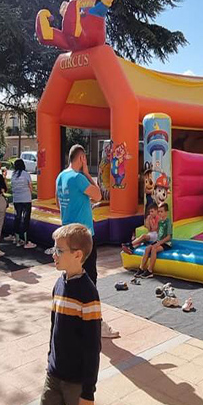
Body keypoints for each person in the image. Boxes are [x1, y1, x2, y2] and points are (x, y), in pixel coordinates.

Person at [36, 223, 101, 405]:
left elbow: (93, 346)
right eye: (54, 249)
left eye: (59, 250)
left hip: (77, 383)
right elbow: (54, 327)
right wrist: (50, 359)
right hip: (53, 376)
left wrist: (88, 393)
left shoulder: (88, 293)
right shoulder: (59, 284)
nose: (54, 255)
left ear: (77, 255)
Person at [56, 144, 119, 339]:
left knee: (72, 277)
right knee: (90, 279)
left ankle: (72, 317)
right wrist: (85, 173)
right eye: (85, 159)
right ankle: (96, 322)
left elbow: (59, 203)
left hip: (68, 235)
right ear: (81, 158)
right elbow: (99, 194)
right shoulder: (77, 177)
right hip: (84, 237)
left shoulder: (61, 176)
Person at [135, 202, 172, 279]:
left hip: (166, 243)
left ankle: (150, 270)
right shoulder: (160, 222)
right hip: (159, 241)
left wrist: (158, 243)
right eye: (159, 212)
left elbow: (168, 237)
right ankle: (141, 268)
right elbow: (155, 231)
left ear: (166, 212)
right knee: (148, 248)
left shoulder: (168, 222)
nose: (160, 213)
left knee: (154, 249)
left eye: (161, 212)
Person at [9, 159, 36, 249]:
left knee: (17, 218)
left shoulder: (13, 175)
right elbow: (30, 186)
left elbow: (12, 187)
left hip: (17, 199)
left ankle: (17, 239)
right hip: (26, 199)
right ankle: (25, 240)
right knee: (25, 219)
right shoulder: (26, 174)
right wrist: (30, 194)